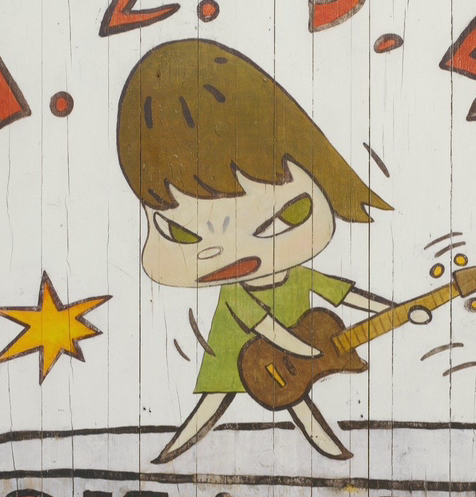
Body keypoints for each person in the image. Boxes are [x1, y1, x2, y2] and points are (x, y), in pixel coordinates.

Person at [117, 39, 400, 464]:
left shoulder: (298, 278)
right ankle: (175, 449)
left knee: (294, 396)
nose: (224, 252)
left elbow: (346, 295)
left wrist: (397, 310)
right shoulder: (237, 293)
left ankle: (330, 449)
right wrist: (299, 347)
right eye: (181, 233)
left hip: (290, 356)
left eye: (283, 217)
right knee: (215, 399)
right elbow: (260, 323)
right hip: (236, 345)